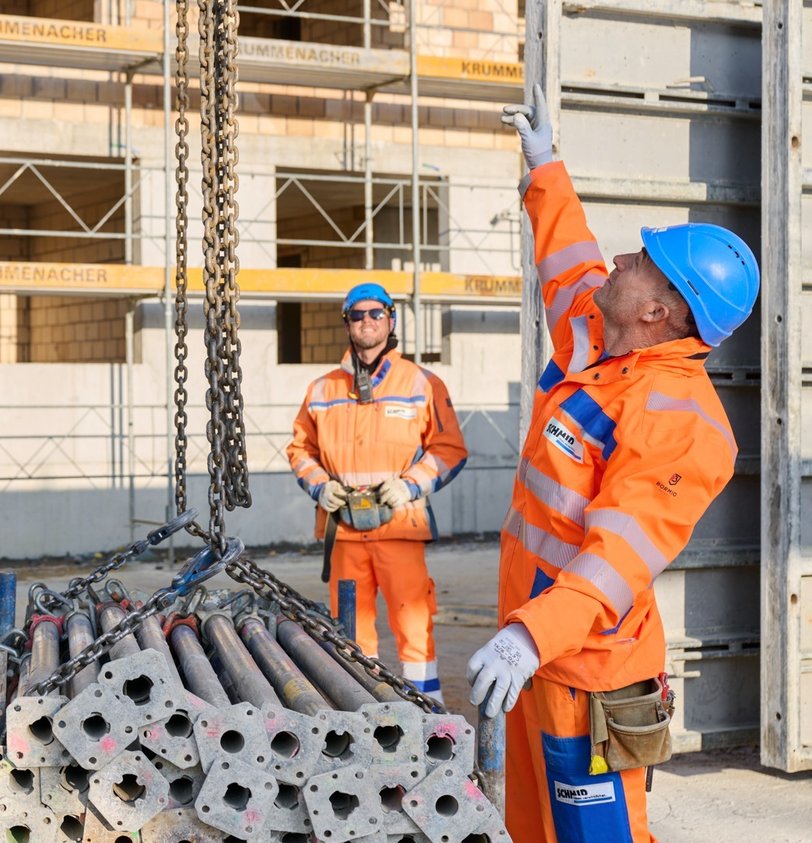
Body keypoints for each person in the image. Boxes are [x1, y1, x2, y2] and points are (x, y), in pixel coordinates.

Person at [467, 84, 759, 842]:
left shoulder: (681, 419)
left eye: (640, 258)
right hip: (537, 654)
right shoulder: (599, 338)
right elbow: (568, 258)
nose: (620, 256)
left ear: (659, 309)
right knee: (531, 831)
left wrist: (531, 635)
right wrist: (544, 163)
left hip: (585, 670)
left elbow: (617, 556)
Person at [286, 282, 468, 703]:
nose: (367, 322)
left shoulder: (422, 382)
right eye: (357, 314)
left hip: (400, 526)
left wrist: (407, 486)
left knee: (414, 623)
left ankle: (426, 710)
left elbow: (450, 449)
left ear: (391, 320)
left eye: (376, 314)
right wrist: (320, 486)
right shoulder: (322, 389)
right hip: (344, 530)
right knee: (350, 629)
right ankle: (360, 707)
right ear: (347, 323)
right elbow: (300, 449)